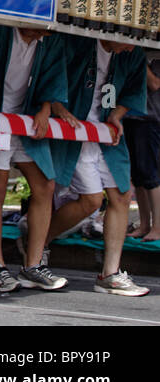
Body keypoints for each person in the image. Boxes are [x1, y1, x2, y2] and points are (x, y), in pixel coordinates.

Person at [0, 27, 76, 292]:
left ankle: (33, 265)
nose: (45, 32)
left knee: (45, 187)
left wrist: (45, 109)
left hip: (27, 121)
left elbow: (52, 79)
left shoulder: (48, 39)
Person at [46, 36, 149, 296]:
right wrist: (58, 108)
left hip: (105, 131)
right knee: (91, 200)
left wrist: (117, 114)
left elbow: (133, 90)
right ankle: (38, 242)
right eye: (127, 41)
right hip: (75, 130)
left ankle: (110, 273)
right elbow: (53, 76)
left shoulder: (132, 52)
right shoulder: (78, 42)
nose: (130, 47)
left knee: (122, 195)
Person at [124, 51, 160, 241]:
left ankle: (157, 227)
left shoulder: (150, 56)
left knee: (150, 174)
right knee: (137, 175)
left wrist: (138, 59)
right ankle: (145, 224)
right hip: (130, 116)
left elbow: (154, 83)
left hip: (149, 118)